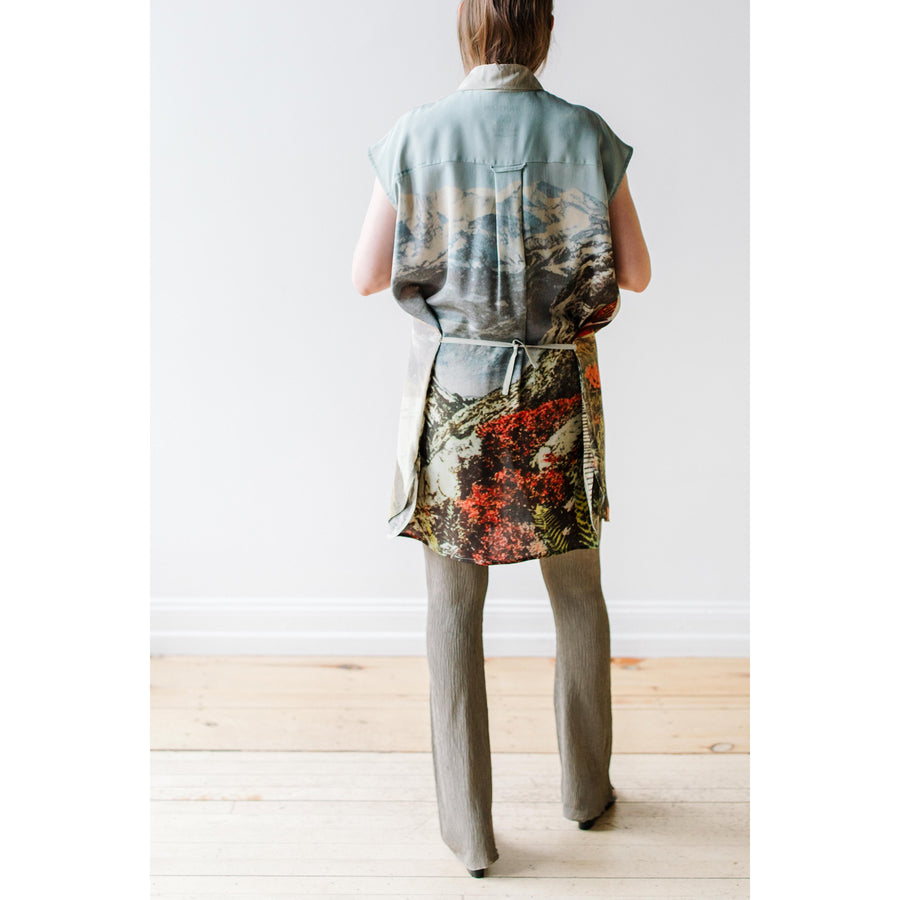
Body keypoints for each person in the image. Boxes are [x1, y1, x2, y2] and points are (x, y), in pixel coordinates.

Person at [351, 0, 650, 879]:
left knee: (453, 610)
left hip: (455, 402)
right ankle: (586, 794)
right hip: (556, 396)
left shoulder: (416, 133)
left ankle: (470, 833)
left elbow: (366, 275)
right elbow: (635, 272)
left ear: (468, 30)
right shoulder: (585, 133)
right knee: (578, 596)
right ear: (543, 31)